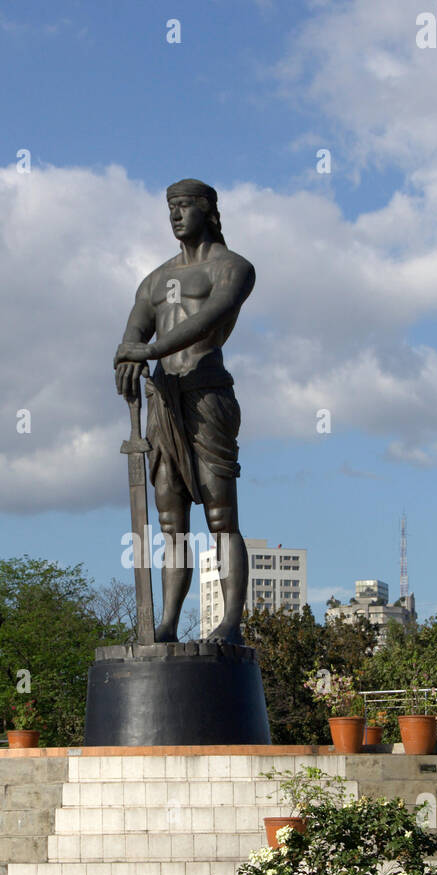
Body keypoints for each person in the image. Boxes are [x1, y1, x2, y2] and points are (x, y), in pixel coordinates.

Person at [114, 179, 254, 643]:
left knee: (220, 513)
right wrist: (128, 357)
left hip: (206, 391)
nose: (175, 215)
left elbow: (210, 317)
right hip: (163, 403)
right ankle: (168, 623)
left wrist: (147, 350)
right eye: (169, 207)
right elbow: (132, 335)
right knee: (171, 519)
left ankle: (230, 622)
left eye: (184, 206)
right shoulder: (153, 281)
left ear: (209, 210)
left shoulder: (233, 267)